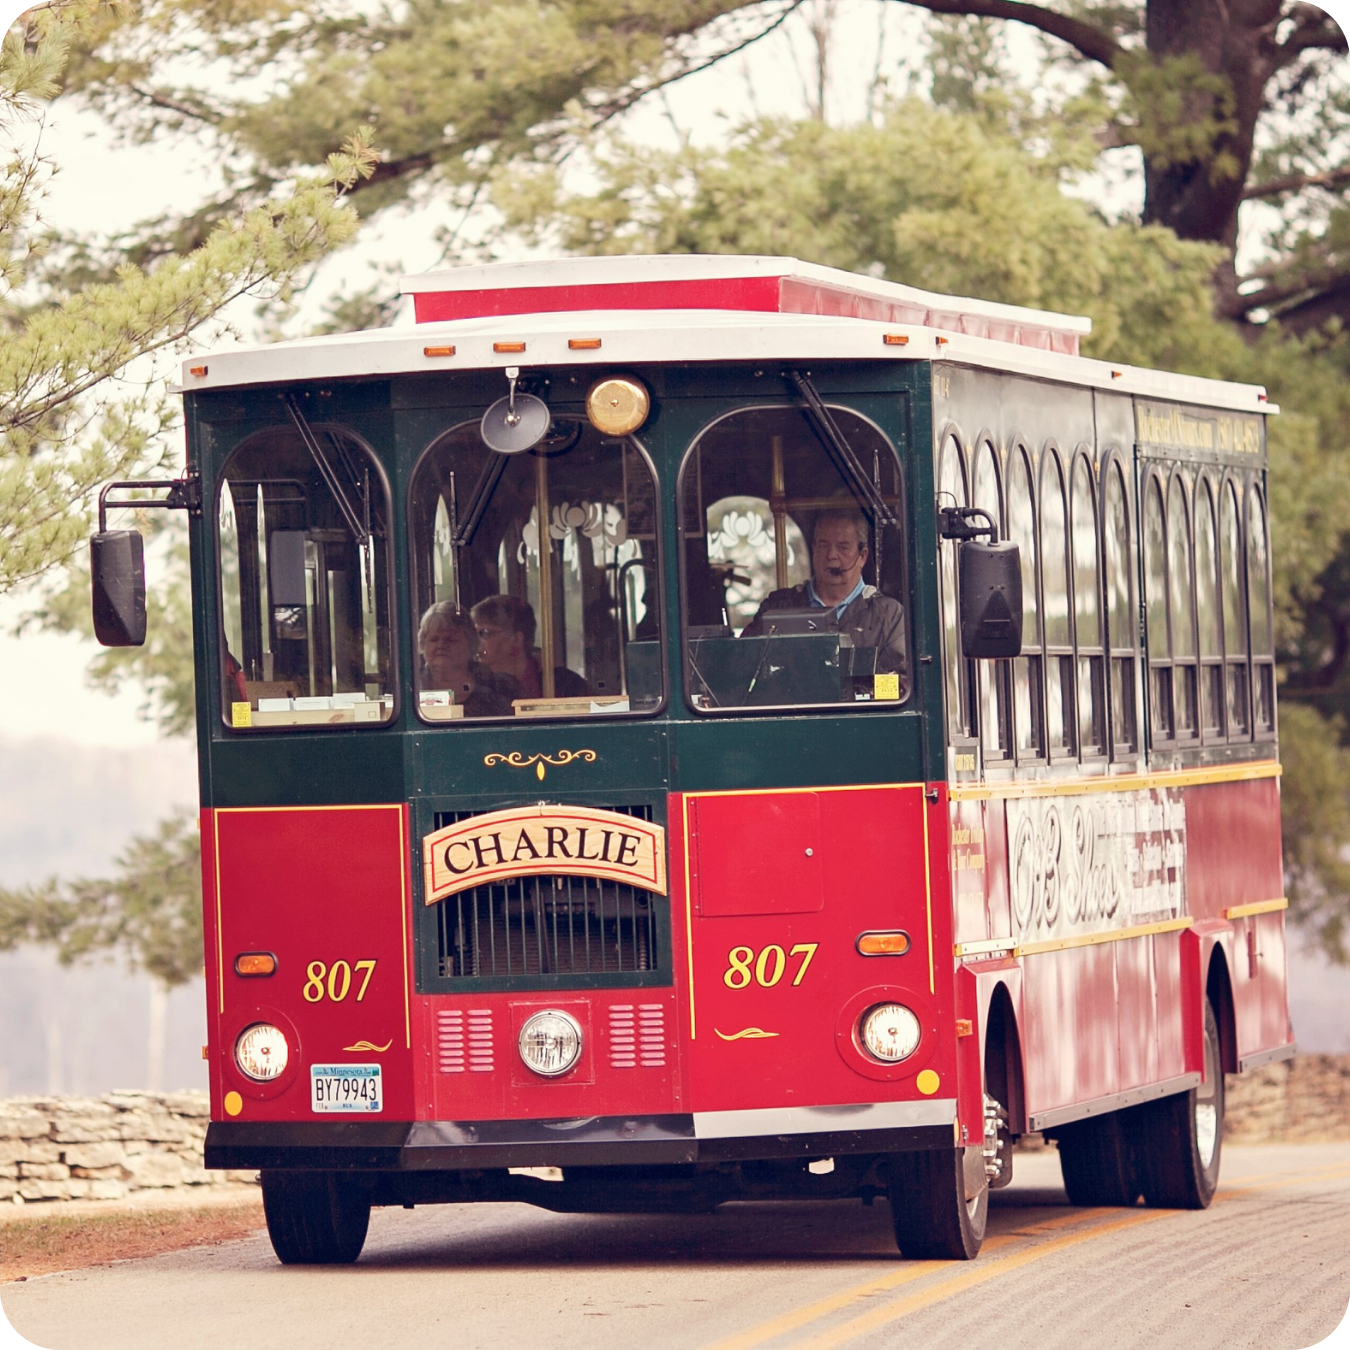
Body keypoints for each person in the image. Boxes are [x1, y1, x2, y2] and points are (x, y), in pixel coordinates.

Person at [741, 508, 908, 691]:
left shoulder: (889, 616)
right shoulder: (777, 607)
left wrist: (858, 685)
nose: (831, 555)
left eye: (842, 547)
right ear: (814, 550)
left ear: (862, 556)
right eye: (823, 545)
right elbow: (742, 672)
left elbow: (901, 686)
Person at [471, 594, 590, 700]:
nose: (475, 641)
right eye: (472, 634)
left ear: (516, 639)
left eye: (484, 633)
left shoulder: (564, 684)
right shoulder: (473, 685)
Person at [417, 602, 515, 717]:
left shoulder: (501, 686)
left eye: (451, 639)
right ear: (423, 644)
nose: (441, 645)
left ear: (470, 642)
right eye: (434, 639)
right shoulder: (410, 688)